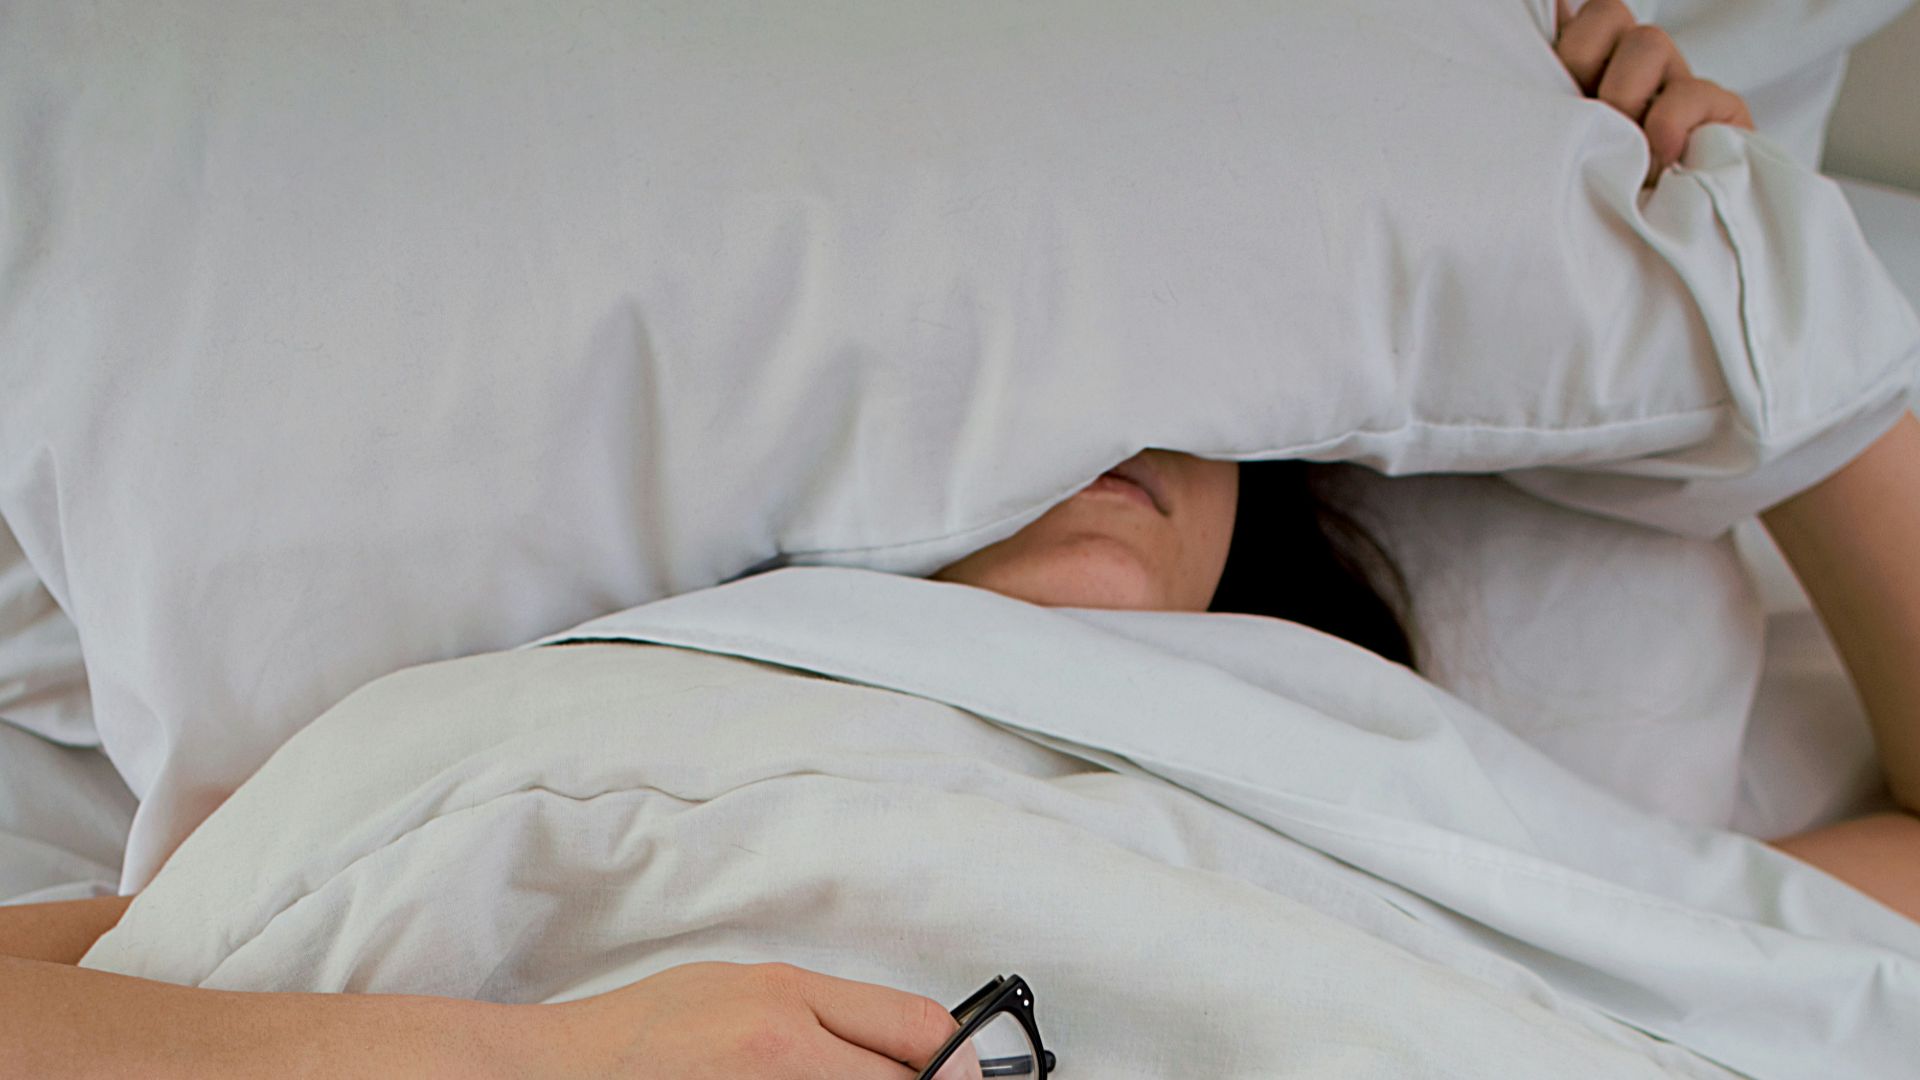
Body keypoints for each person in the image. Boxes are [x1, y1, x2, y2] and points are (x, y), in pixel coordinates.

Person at [4, 3, 1908, 1076]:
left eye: (1183, 383)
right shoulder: (578, 723)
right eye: (1025, 391)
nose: (1106, 430)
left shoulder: (1402, 798)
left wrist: (1738, 263)